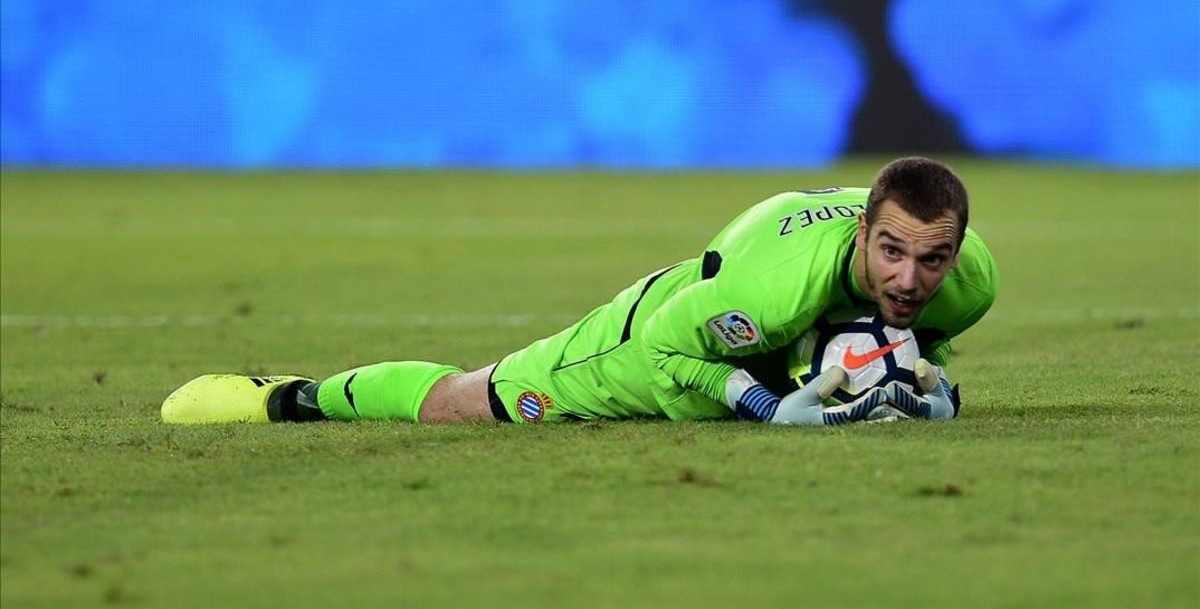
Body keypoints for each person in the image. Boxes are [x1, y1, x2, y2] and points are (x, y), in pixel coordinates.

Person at [161, 156, 997, 427]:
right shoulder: (770, 289)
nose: (909, 279)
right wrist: (762, 407)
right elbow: (674, 346)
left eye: (931, 260)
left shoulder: (967, 281)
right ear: (862, 235)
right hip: (654, 336)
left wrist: (931, 376)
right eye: (891, 254)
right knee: (472, 402)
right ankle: (290, 399)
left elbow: (931, 329)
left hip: (774, 341)